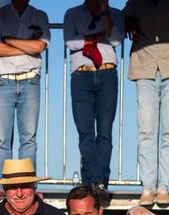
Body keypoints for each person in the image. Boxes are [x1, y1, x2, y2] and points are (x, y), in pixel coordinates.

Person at [123, 0, 169, 207]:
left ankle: (163, 186)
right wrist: (130, 23)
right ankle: (147, 187)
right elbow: (122, 19)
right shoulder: (135, 2)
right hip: (144, 66)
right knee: (146, 129)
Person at [0, 0, 51, 202]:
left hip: (30, 80)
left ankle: (27, 185)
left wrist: (9, 40)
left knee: (28, 139)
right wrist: (27, 46)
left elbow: (40, 46)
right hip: (2, 81)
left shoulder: (40, 15)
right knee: (2, 140)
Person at [64, 0, 125, 200]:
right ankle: (94, 181)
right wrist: (99, 36)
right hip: (82, 74)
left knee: (105, 131)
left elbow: (115, 39)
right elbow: (70, 42)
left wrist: (105, 12)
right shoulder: (72, 13)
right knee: (85, 132)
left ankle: (98, 181)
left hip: (107, 73)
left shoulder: (114, 14)